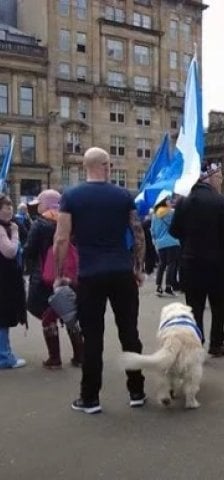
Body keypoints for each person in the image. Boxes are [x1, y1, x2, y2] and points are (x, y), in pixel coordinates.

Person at [54, 147, 147, 414]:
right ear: (106, 166)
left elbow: (61, 238)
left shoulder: (71, 196)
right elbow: (137, 233)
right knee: (130, 333)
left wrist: (60, 274)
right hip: (121, 272)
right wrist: (138, 267)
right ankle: (137, 391)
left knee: (93, 338)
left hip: (90, 275)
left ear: (85, 167)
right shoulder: (122, 196)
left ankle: (90, 397)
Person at [170, 161, 224, 357]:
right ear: (208, 177)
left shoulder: (184, 201)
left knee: (194, 306)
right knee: (219, 305)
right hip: (216, 263)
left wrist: (188, 239)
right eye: (219, 177)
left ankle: (196, 343)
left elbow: (174, 230)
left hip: (191, 261)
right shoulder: (220, 202)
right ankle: (217, 342)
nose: (221, 181)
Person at [25, 189, 83, 369]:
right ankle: (80, 355)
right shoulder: (71, 221)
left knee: (47, 317)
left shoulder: (40, 224)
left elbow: (30, 250)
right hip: (70, 276)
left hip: (46, 277)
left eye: (40, 202)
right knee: (69, 314)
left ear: (46, 203)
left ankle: (55, 357)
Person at [0, 194, 27, 369]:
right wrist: (16, 233)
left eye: (10, 205)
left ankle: (5, 352)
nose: (9, 209)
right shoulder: (3, 229)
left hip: (7, 278)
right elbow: (9, 251)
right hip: (4, 279)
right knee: (2, 317)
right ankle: (4, 356)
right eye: (5, 206)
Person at [150, 195, 180, 297]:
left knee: (161, 265)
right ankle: (168, 286)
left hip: (160, 243)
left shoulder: (154, 215)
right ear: (164, 201)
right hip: (172, 241)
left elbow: (152, 230)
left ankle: (158, 287)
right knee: (171, 264)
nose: (170, 201)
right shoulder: (171, 213)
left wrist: (155, 242)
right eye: (168, 199)